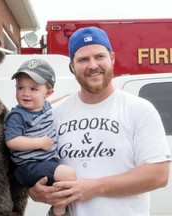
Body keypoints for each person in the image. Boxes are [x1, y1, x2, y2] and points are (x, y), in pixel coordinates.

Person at [28, 26, 171, 216]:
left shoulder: (139, 109)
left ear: (111, 58)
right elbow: (31, 166)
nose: (93, 65)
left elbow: (158, 175)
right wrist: (35, 190)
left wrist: (91, 188)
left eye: (99, 56)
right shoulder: (54, 114)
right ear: (72, 66)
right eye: (83, 59)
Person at [4, 58, 77, 216]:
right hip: (28, 166)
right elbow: (12, 141)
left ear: (47, 93)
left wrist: (68, 97)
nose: (26, 93)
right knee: (69, 174)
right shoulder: (18, 115)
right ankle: (59, 210)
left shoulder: (43, 106)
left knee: (70, 172)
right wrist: (39, 143)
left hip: (45, 162)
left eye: (33, 89)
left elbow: (50, 103)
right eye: (20, 87)